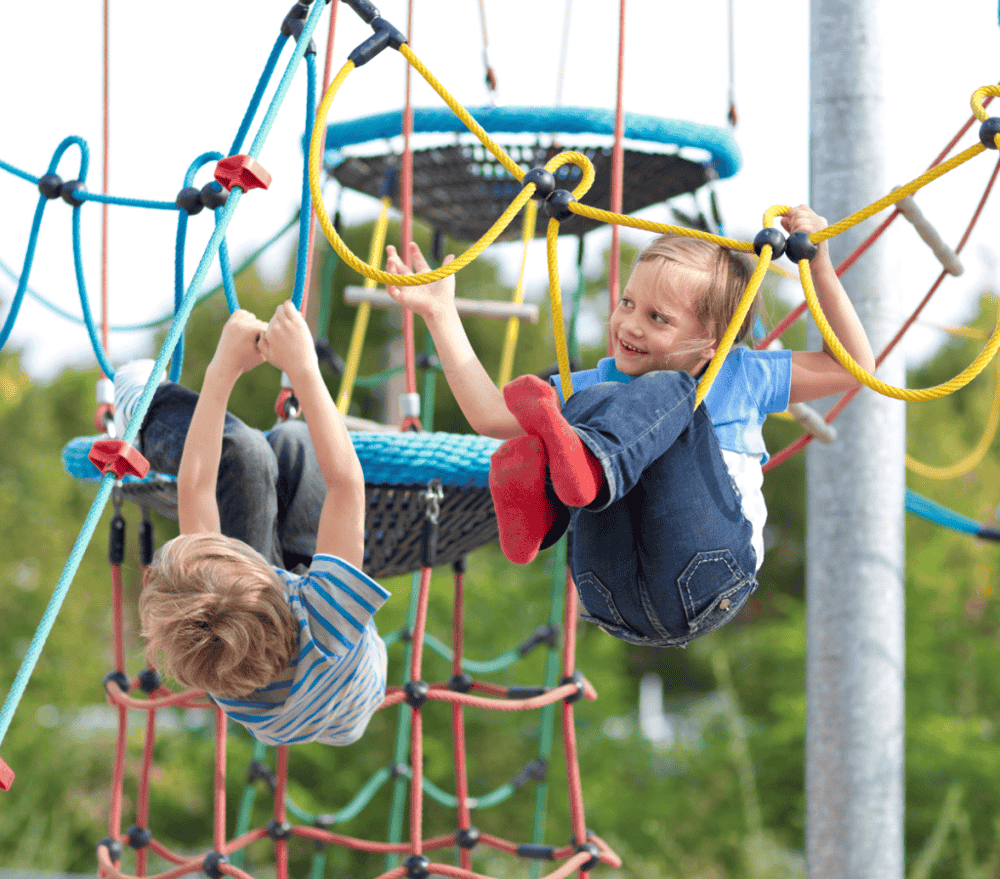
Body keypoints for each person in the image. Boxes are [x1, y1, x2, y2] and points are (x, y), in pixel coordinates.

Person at [383, 205, 875, 648]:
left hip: (709, 576)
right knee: (587, 402)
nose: (630, 325)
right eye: (627, 303)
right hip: (609, 593)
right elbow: (491, 416)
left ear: (712, 342)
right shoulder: (595, 386)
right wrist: (440, 314)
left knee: (668, 391)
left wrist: (820, 268)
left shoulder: (741, 374)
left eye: (658, 317)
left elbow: (853, 365)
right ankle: (551, 499)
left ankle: (576, 477)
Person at [121, 302, 390, 744]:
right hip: (347, 688)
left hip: (279, 691)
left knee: (279, 446)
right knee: (276, 447)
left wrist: (223, 369)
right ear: (273, 584)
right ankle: (149, 412)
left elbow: (196, 488)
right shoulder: (328, 622)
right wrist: (303, 367)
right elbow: (345, 485)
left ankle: (149, 413)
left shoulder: (210, 658)